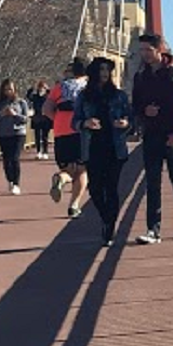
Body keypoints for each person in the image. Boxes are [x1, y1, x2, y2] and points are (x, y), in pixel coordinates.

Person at [131, 33, 173, 244]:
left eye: (147, 50)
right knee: (153, 183)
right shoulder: (141, 76)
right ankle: (153, 230)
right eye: (141, 50)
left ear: (160, 49)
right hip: (151, 135)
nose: (144, 54)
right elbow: (134, 106)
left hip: (172, 136)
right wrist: (144, 111)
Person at [73, 57, 131, 246]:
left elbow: (130, 119)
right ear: (93, 73)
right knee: (95, 189)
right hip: (92, 148)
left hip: (115, 148)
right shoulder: (84, 96)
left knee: (111, 188)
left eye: (107, 70)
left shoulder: (119, 96)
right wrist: (85, 123)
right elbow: (74, 122)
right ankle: (107, 217)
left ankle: (109, 229)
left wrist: (125, 124)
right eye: (101, 70)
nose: (104, 73)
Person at [43, 58, 88, 217]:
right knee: (82, 170)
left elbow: (46, 109)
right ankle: (74, 205)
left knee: (67, 169)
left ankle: (61, 178)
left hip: (61, 131)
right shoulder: (89, 87)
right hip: (82, 132)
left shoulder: (59, 87)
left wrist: (58, 120)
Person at [0, 78, 29, 195]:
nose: (8, 91)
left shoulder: (21, 102)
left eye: (10, 89)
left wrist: (15, 115)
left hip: (18, 133)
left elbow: (25, 119)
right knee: (6, 159)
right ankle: (9, 179)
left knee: (15, 158)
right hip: (4, 134)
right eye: (6, 89)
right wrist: (2, 114)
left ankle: (16, 183)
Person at [27, 79, 53, 160]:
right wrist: (32, 88)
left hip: (46, 119)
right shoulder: (35, 97)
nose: (41, 90)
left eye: (43, 88)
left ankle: (45, 152)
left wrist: (48, 89)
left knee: (45, 136)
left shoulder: (48, 97)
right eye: (40, 88)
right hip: (37, 118)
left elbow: (52, 95)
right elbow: (28, 96)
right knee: (37, 136)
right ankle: (38, 152)